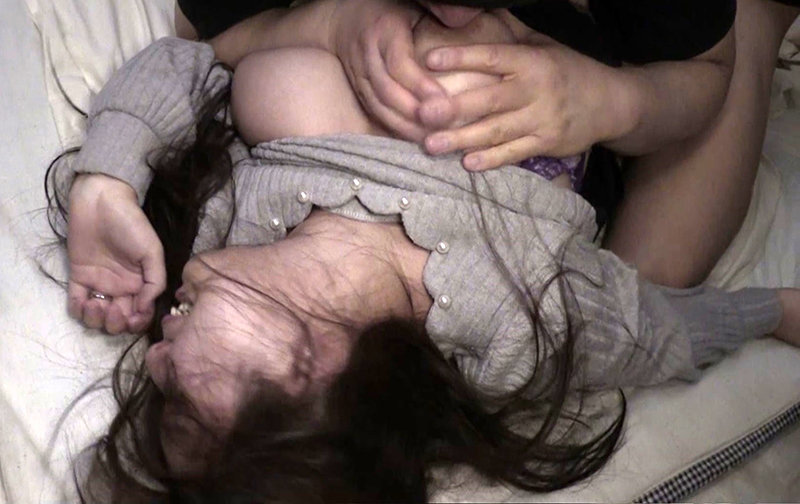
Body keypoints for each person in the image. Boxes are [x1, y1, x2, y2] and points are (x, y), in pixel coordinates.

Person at [48, 3, 800, 502]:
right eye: (181, 401)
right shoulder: (516, 324)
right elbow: (656, 330)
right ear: (307, 373)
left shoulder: (226, 222)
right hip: (594, 95)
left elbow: (184, 65)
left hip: (493, 50)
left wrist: (108, 180)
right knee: (658, 274)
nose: (152, 363)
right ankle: (758, 22)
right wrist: (769, 312)